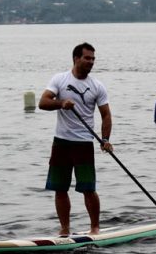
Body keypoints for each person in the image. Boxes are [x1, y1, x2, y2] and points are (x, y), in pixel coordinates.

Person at [38, 42, 113, 236]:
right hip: (61, 142)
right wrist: (61, 103)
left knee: (88, 188)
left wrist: (105, 139)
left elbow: (106, 115)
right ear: (76, 58)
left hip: (83, 143)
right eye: (87, 58)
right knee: (60, 189)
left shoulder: (97, 86)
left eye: (93, 59)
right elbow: (43, 103)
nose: (91, 62)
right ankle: (65, 229)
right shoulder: (59, 79)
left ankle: (95, 227)